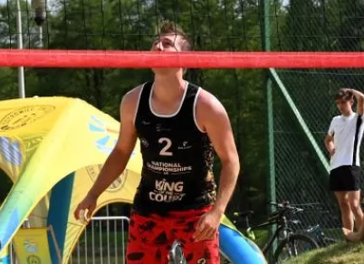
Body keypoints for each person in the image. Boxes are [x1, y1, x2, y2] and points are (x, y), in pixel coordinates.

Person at [73, 21, 241, 264]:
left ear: (184, 60)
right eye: (155, 43)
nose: (158, 47)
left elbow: (231, 161)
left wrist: (217, 211)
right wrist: (92, 194)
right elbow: (121, 152)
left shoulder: (206, 106)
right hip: (149, 210)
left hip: (196, 211)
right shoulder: (132, 101)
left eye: (167, 43)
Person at [325, 87, 364, 234]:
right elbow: (328, 139)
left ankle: (363, 237)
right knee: (344, 204)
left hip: (351, 166)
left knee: (355, 204)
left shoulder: (358, 119)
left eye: (343, 102)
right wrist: (331, 149)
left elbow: (362, 98)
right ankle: (349, 237)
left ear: (351, 101)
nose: (340, 106)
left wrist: (349, 90)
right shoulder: (335, 120)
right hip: (335, 167)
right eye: (338, 103)